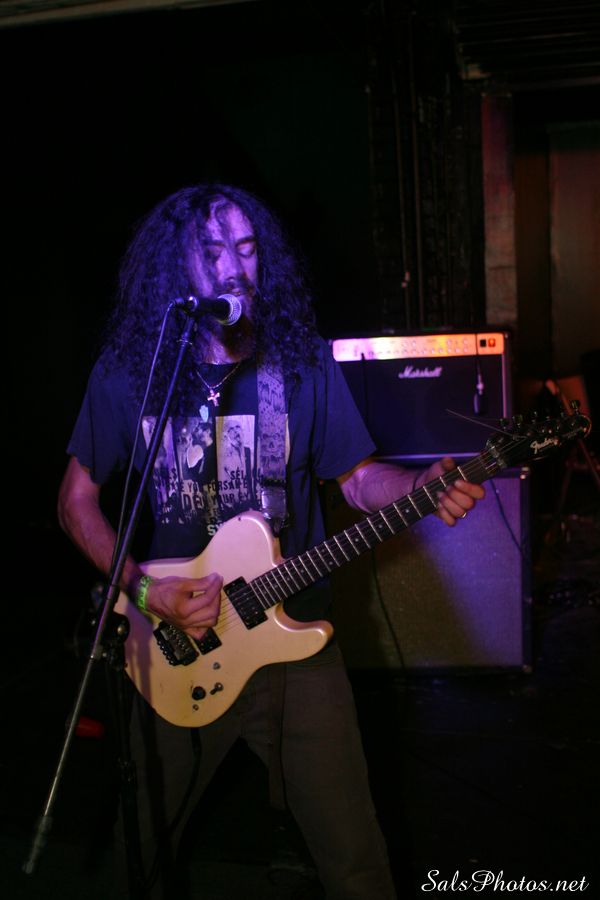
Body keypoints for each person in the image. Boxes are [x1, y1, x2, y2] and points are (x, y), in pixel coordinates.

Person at [58, 184, 484, 899]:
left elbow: (358, 481)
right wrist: (146, 591)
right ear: (175, 267)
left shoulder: (303, 362)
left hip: (296, 645)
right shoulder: (132, 370)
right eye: (212, 250)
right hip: (172, 649)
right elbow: (75, 502)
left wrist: (420, 487)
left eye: (248, 248)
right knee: (143, 859)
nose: (234, 267)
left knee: (357, 864)